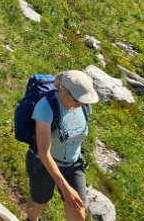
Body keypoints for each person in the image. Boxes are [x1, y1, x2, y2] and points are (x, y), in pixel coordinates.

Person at [26, 71, 99, 221]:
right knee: (40, 200)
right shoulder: (45, 108)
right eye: (78, 99)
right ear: (64, 90)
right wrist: (66, 189)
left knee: (78, 211)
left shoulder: (83, 106)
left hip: (73, 163)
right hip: (43, 164)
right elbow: (44, 153)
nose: (83, 104)